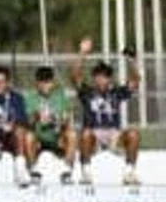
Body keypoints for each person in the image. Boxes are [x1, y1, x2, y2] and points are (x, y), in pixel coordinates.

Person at [73, 50, 142, 186]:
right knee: (85, 133)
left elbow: (136, 81)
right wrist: (82, 53)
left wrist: (131, 61)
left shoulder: (116, 92)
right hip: (94, 134)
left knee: (133, 134)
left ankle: (129, 172)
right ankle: (86, 172)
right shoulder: (87, 92)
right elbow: (75, 76)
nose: (101, 80)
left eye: (104, 77)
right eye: (98, 76)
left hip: (114, 134)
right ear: (93, 78)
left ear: (109, 78)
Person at [22, 64, 78, 184]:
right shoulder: (31, 97)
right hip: (39, 136)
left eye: (48, 81)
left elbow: (67, 118)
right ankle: (33, 171)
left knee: (72, 134)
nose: (45, 85)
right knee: (28, 136)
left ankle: (66, 171)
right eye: (42, 82)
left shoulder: (61, 95)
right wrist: (36, 117)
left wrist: (58, 120)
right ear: (37, 83)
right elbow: (28, 121)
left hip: (56, 136)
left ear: (53, 82)